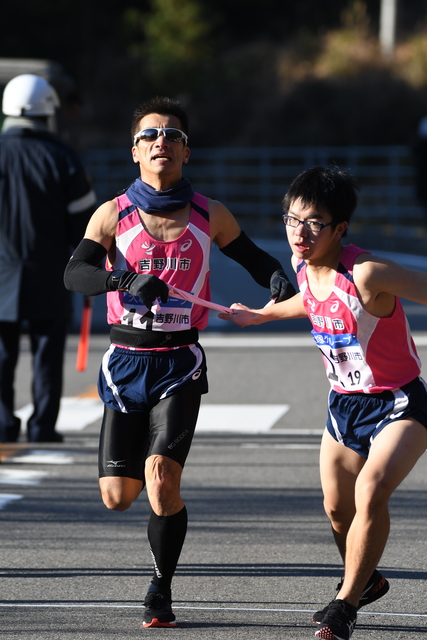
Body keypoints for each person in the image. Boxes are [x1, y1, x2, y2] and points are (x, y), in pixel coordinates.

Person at [63, 95, 296, 628]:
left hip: (179, 363)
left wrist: (277, 281)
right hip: (124, 365)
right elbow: (73, 275)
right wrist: (120, 278)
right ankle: (146, 481)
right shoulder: (112, 214)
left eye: (172, 135)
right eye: (150, 135)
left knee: (163, 477)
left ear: (186, 152)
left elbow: (256, 259)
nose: (161, 142)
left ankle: (160, 588)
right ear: (134, 152)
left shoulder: (208, 213)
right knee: (118, 498)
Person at [218, 166, 427, 640]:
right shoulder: (301, 266)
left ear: (341, 229)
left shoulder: (368, 272)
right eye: (292, 220)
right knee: (337, 509)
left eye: (314, 224)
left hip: (398, 404)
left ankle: (345, 605)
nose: (300, 232)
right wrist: (261, 315)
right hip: (343, 405)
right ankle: (367, 579)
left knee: (370, 490)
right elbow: (310, 302)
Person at [0, 74, 96, 444]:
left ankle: (3, 424)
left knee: (2, 353)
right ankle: (41, 425)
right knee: (46, 352)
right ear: (47, 112)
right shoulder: (62, 157)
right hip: (51, 271)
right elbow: (86, 224)